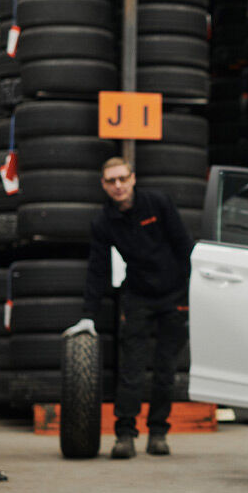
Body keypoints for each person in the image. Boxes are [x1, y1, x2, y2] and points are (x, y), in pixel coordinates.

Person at [64, 157, 194, 460]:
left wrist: (193, 289)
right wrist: (88, 315)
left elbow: (184, 244)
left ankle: (158, 433)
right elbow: (98, 269)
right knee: (131, 368)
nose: (118, 185)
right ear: (103, 185)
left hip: (174, 294)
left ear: (133, 178)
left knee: (165, 368)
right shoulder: (103, 222)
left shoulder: (158, 203)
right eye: (111, 181)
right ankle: (125, 435)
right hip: (137, 296)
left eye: (122, 178)